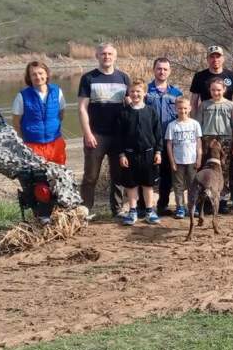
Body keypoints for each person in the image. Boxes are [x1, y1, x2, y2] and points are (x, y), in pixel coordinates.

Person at [189, 45, 233, 211]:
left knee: (227, 167)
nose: (215, 59)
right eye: (212, 56)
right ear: (208, 58)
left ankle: (225, 200)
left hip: (226, 132)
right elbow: (193, 101)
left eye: (218, 56)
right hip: (207, 133)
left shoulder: (231, 76)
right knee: (206, 167)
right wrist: (194, 129)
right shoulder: (200, 77)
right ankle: (204, 200)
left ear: (222, 58)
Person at [78, 42, 131, 214]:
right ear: (97, 56)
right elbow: (82, 108)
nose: (106, 57)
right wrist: (87, 133)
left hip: (118, 136)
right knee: (90, 176)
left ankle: (117, 210)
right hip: (96, 135)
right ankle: (85, 210)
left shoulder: (124, 78)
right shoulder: (88, 78)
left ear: (115, 56)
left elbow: (131, 105)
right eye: (103, 54)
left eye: (109, 54)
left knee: (118, 176)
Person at [115, 81, 164, 226]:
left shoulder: (151, 111)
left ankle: (149, 211)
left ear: (145, 93)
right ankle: (132, 211)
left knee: (148, 184)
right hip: (129, 155)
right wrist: (121, 154)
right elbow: (119, 137)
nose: (135, 94)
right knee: (131, 185)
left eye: (138, 91)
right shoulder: (124, 113)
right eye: (132, 92)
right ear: (128, 93)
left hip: (148, 154)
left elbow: (158, 133)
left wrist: (158, 151)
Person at [196, 78, 233, 211]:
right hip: (207, 139)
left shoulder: (230, 105)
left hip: (225, 140)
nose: (216, 92)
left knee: (224, 170)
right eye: (213, 90)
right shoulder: (204, 105)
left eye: (218, 90)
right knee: (206, 170)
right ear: (209, 90)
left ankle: (222, 201)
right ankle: (206, 201)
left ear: (224, 90)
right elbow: (197, 126)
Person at [146, 57, 185, 216]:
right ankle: (144, 207)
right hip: (149, 138)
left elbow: (183, 115)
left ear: (169, 71)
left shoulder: (176, 93)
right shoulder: (146, 90)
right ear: (154, 70)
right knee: (147, 173)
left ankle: (162, 205)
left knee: (167, 174)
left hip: (170, 140)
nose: (162, 72)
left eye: (165, 69)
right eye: (159, 68)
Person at [12, 61, 67, 165]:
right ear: (29, 77)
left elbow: (61, 114)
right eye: (34, 74)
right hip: (32, 145)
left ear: (46, 74)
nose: (38, 77)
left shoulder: (57, 91)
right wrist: (23, 144)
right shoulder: (22, 96)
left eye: (41, 73)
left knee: (58, 177)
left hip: (55, 143)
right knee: (38, 180)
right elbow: (16, 124)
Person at [165, 97, 202, 220]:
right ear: (176, 109)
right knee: (178, 185)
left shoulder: (195, 124)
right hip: (178, 161)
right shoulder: (172, 125)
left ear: (190, 108)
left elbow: (198, 142)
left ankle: (193, 206)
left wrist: (199, 158)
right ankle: (180, 207)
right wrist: (172, 161)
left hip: (192, 161)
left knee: (193, 185)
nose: (183, 111)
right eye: (180, 108)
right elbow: (169, 144)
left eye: (185, 108)